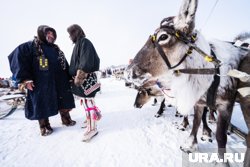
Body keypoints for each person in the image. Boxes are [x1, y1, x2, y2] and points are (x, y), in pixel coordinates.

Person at [8, 25, 76, 136]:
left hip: (59, 80)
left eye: (52, 34)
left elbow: (65, 65)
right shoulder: (31, 46)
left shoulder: (56, 49)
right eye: (48, 33)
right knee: (42, 102)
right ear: (41, 34)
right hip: (41, 82)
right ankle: (44, 126)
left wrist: (69, 77)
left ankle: (66, 119)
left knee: (64, 99)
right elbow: (17, 57)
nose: (51, 36)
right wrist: (25, 79)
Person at [67, 24, 101, 141]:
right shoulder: (79, 44)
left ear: (76, 32)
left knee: (89, 103)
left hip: (85, 78)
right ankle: (90, 121)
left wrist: (79, 77)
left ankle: (93, 128)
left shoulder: (84, 42)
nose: (70, 37)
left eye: (71, 33)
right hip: (82, 78)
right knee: (87, 103)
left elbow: (86, 61)